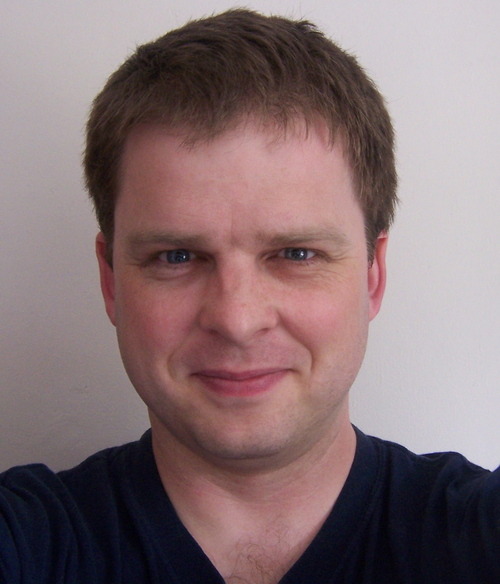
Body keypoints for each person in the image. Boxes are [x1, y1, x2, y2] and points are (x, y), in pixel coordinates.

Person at [0, 8, 498, 584]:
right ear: (111, 281)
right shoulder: (30, 540)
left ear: (372, 275)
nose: (236, 319)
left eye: (296, 254)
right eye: (177, 256)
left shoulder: (476, 538)